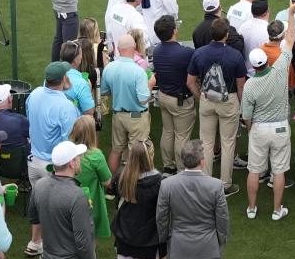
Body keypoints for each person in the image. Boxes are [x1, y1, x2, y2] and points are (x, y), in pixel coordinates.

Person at [241, 0, 295, 220]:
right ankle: (276, 210)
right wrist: (291, 13)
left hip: (259, 129)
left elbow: (246, 116)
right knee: (279, 171)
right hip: (280, 128)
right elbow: (290, 39)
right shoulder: (280, 68)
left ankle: (252, 208)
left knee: (254, 170)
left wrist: (250, 128)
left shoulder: (250, 85)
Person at [24, 62, 80, 257]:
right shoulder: (66, 106)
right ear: (64, 79)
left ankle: (34, 242)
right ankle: (50, 251)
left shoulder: (35, 94)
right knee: (55, 212)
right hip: (53, 167)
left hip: (33, 161)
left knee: (39, 204)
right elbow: (69, 142)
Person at [113, 140, 169, 259]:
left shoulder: (122, 177)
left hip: (128, 234)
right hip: (153, 236)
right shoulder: (159, 182)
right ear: (150, 156)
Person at [187, 18, 246, 196]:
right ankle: (225, 184)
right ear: (227, 34)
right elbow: (241, 85)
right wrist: (242, 107)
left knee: (206, 142)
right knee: (228, 142)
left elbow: (190, 82)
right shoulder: (235, 55)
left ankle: (205, 182)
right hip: (229, 100)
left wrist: (201, 98)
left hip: (207, 100)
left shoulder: (199, 53)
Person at [100, 33, 151, 175]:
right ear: (134, 48)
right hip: (136, 117)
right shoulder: (138, 71)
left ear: (118, 49)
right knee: (136, 154)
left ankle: (111, 186)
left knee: (116, 150)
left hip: (118, 116)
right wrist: (150, 85)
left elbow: (105, 92)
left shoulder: (109, 68)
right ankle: (131, 187)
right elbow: (143, 99)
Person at [152, 16, 195, 173]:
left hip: (163, 97)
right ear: (174, 31)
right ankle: (181, 169)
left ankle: (168, 165)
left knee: (168, 131)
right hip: (180, 100)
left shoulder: (157, 51)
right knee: (181, 136)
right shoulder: (185, 53)